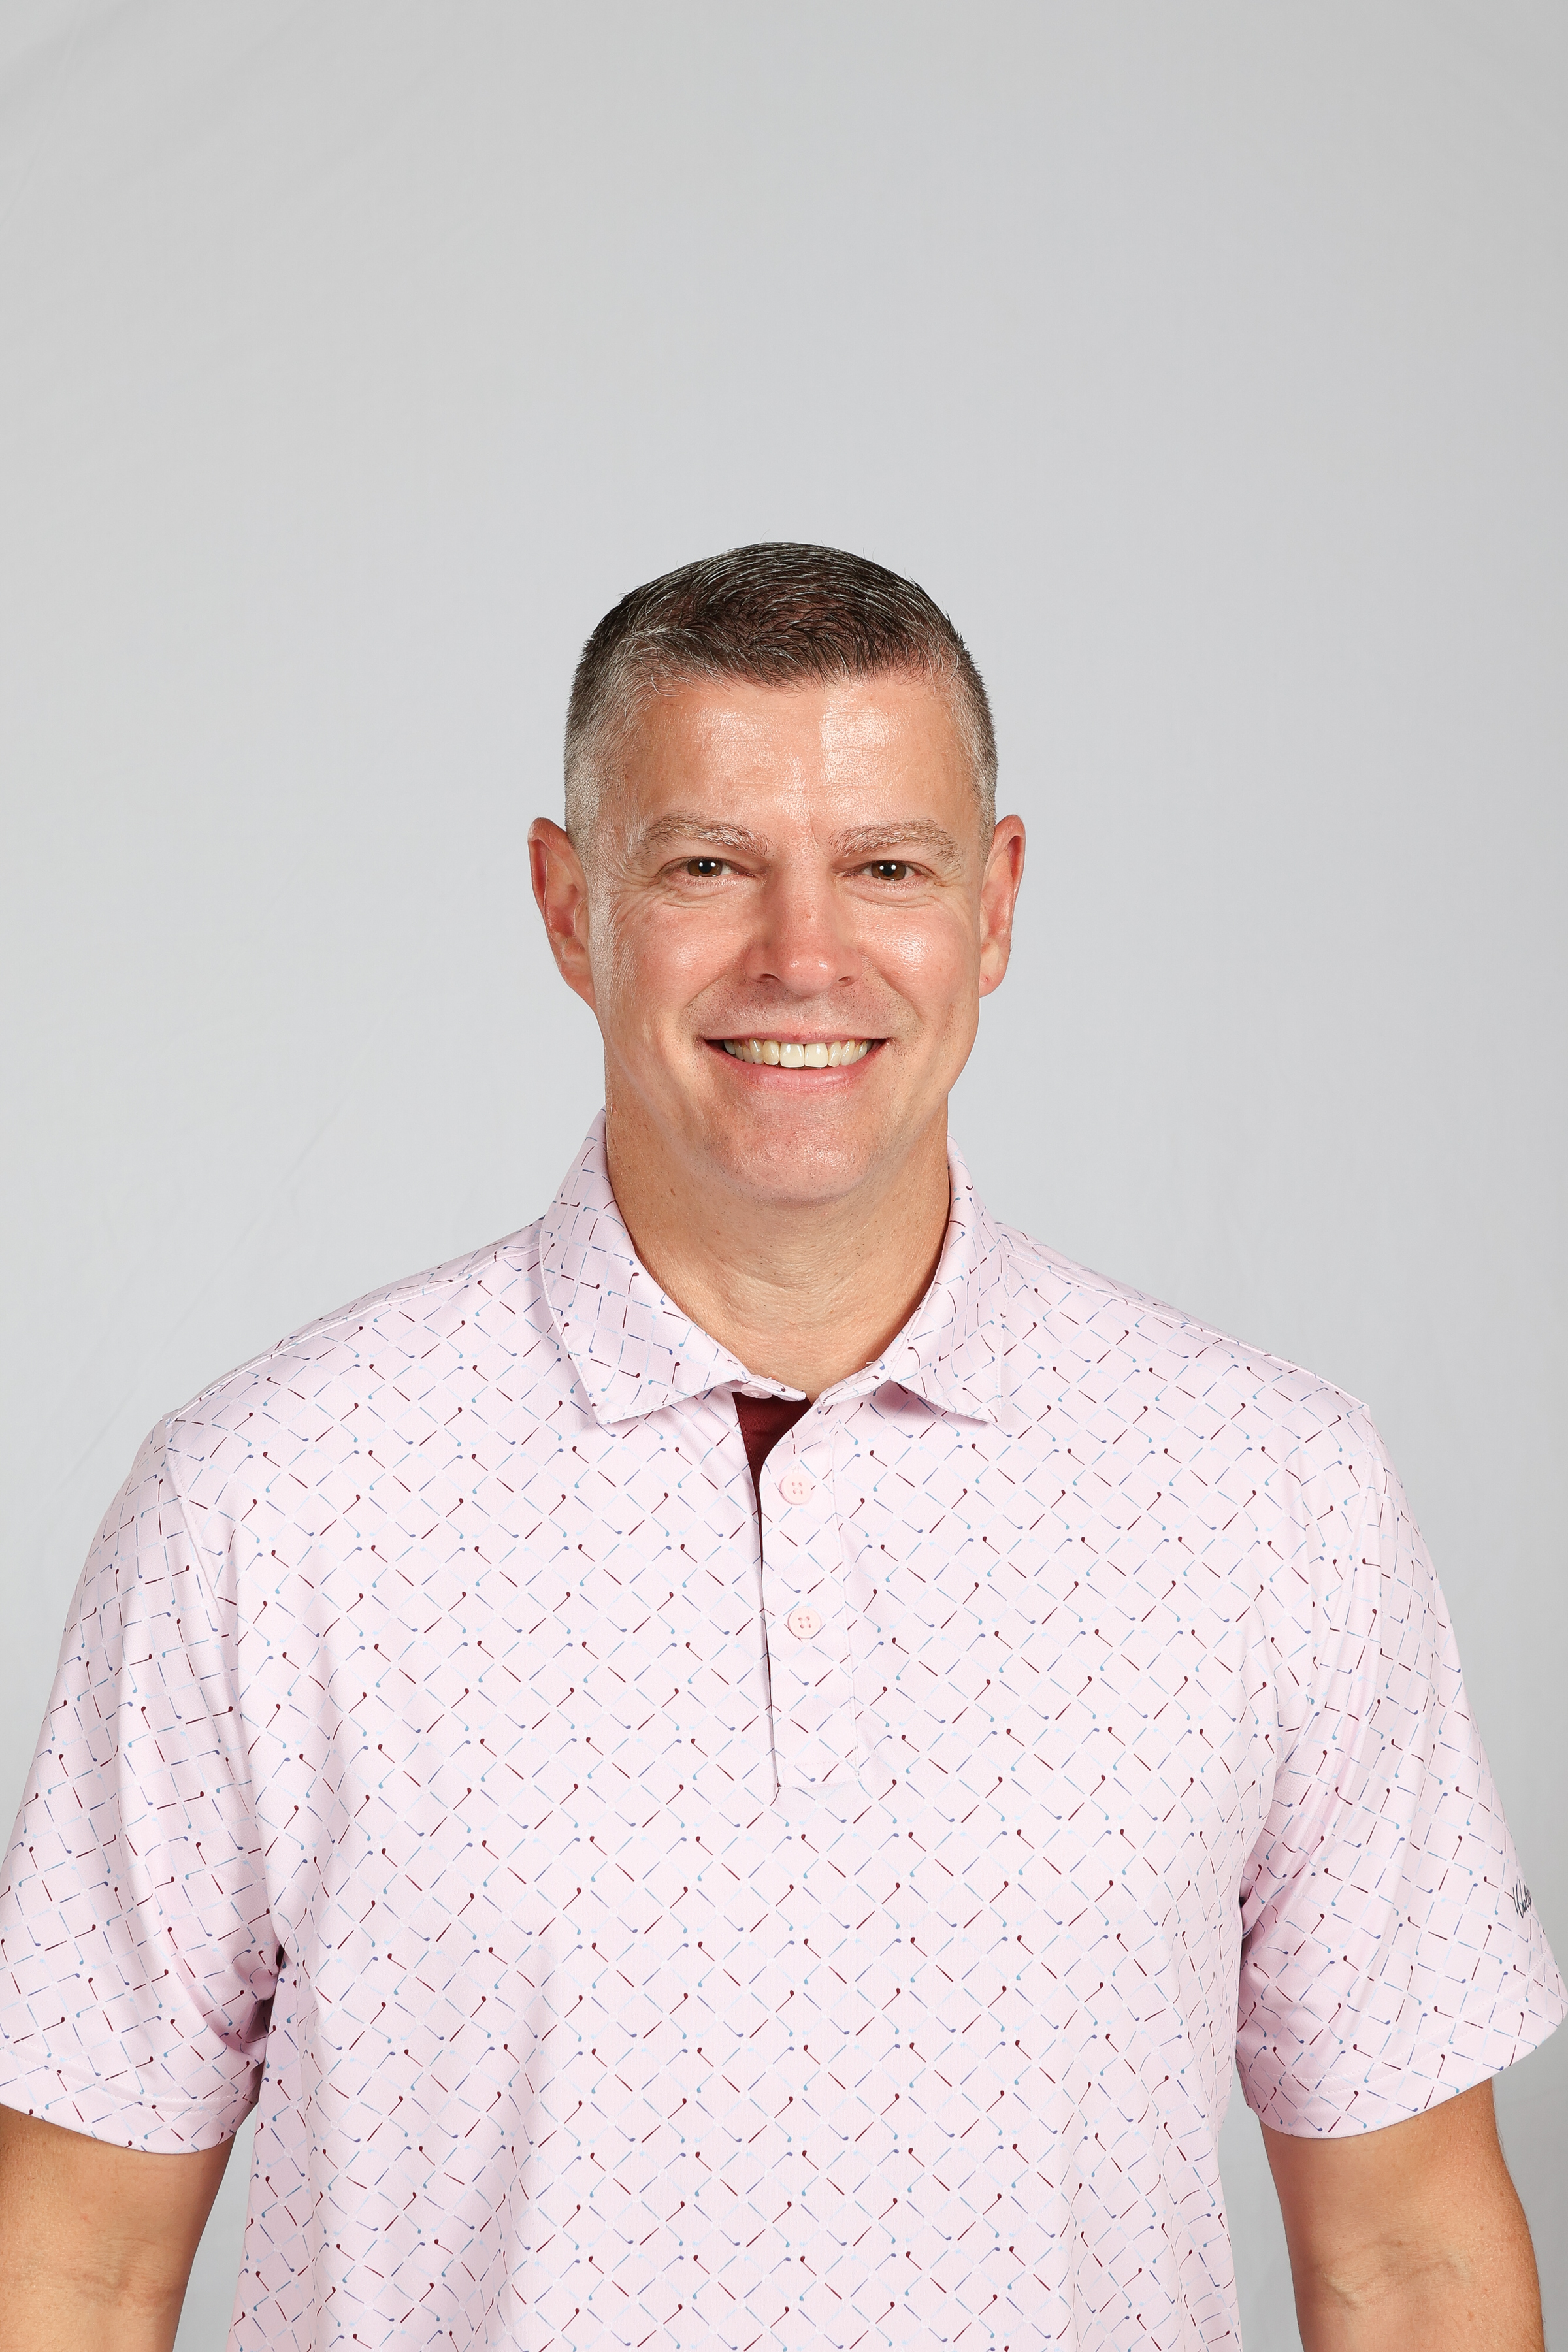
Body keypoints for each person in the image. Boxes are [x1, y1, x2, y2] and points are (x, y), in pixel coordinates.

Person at [0, 544, 1560, 2352]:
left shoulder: (1271, 1495)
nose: (804, 957)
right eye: (708, 866)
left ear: (995, 904)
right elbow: (75, 2263)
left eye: (887, 868)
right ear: (569, 907)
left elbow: (1409, 2259)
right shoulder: (266, 1505)